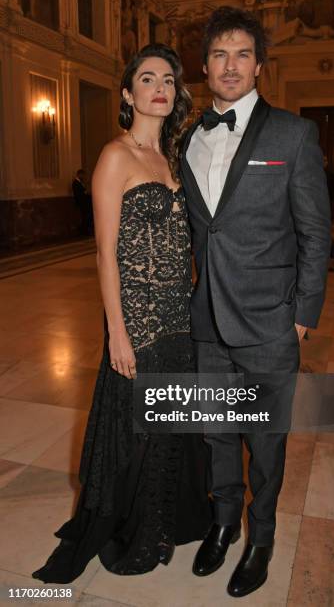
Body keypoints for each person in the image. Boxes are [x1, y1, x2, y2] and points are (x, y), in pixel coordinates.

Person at [32, 43, 212, 585]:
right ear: (129, 93)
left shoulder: (174, 160)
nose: (159, 87)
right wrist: (117, 332)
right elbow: (104, 252)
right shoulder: (115, 156)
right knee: (135, 437)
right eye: (148, 78)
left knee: (172, 428)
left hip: (180, 316)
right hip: (139, 319)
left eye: (167, 80)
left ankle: (163, 523)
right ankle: (132, 528)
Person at [180, 7, 331, 598]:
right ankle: (222, 525)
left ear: (260, 65)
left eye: (242, 53)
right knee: (216, 434)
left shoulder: (293, 134)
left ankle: (260, 538)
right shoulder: (187, 136)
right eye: (220, 54)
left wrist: (301, 317)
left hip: (271, 323)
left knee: (265, 443)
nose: (230, 64)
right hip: (207, 323)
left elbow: (316, 234)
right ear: (205, 66)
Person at [72, 169, 93, 235]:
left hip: (85, 202)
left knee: (86, 216)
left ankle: (84, 229)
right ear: (79, 174)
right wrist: (85, 192)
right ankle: (83, 230)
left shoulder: (80, 183)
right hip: (82, 203)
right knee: (85, 216)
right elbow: (79, 194)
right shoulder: (75, 183)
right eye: (83, 175)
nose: (84, 177)